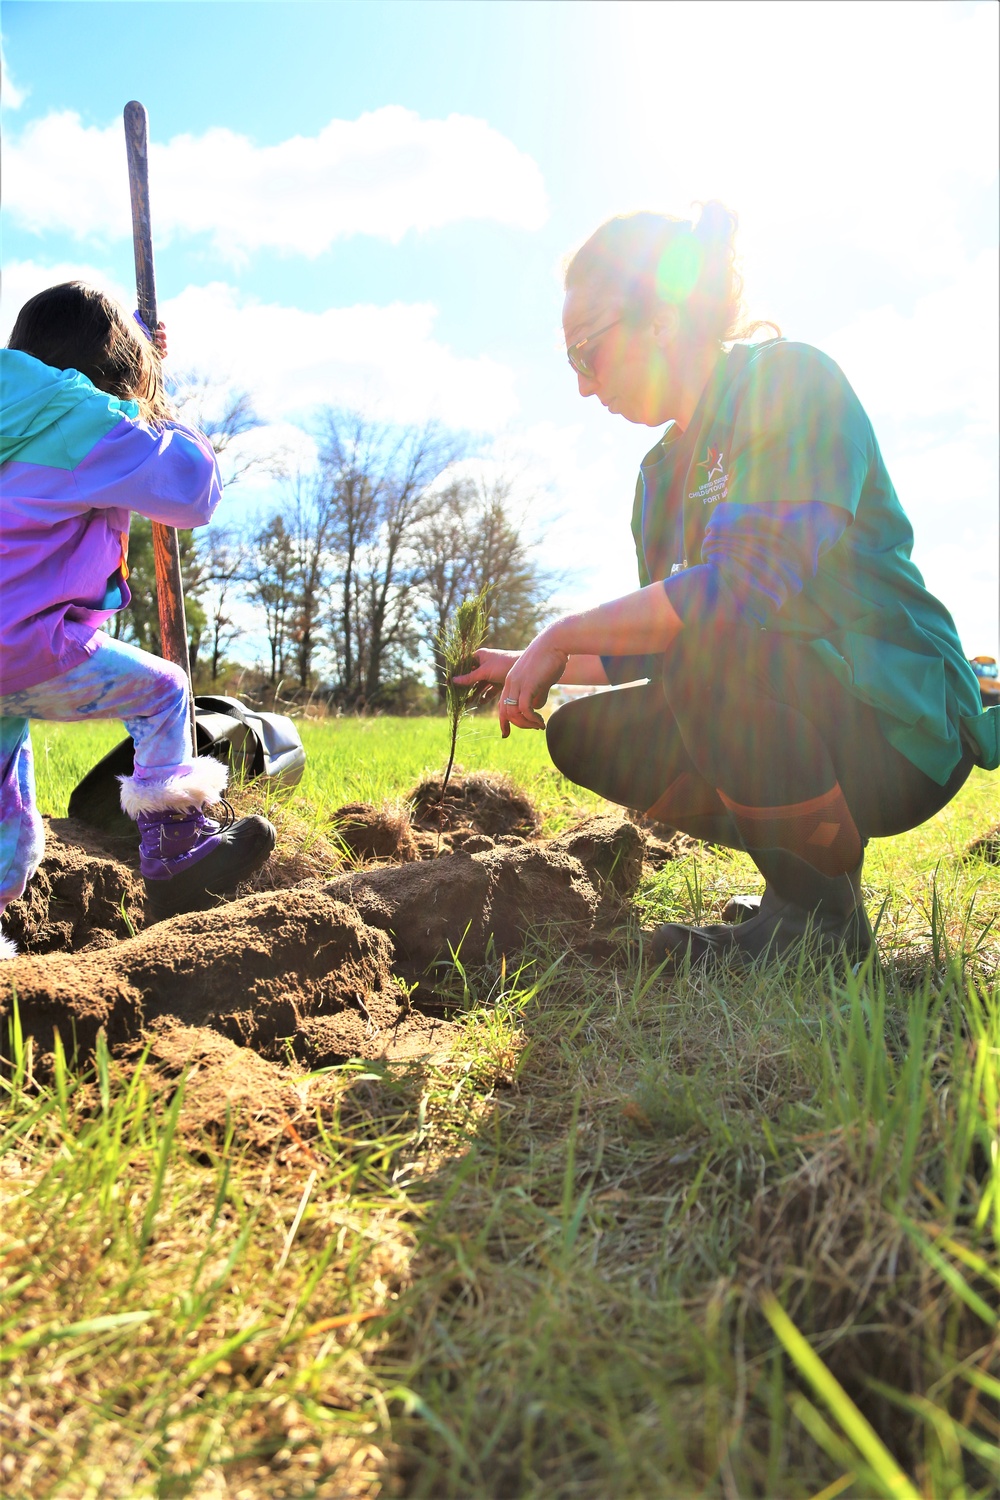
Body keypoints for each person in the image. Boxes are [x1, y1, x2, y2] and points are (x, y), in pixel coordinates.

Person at [455, 203, 999, 970]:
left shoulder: (790, 382)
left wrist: (565, 632)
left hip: (902, 725)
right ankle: (806, 882)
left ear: (661, 320)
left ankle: (820, 925)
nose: (583, 388)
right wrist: (529, 660)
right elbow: (658, 645)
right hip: (799, 695)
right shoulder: (658, 478)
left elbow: (738, 594)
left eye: (588, 353)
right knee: (586, 737)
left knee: (715, 640)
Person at [0, 282, 275, 957]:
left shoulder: (18, 407)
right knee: (164, 692)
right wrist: (157, 405)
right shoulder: (81, 417)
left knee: (12, 833)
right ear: (112, 373)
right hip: (22, 648)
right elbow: (189, 490)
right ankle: (177, 852)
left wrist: (136, 355)